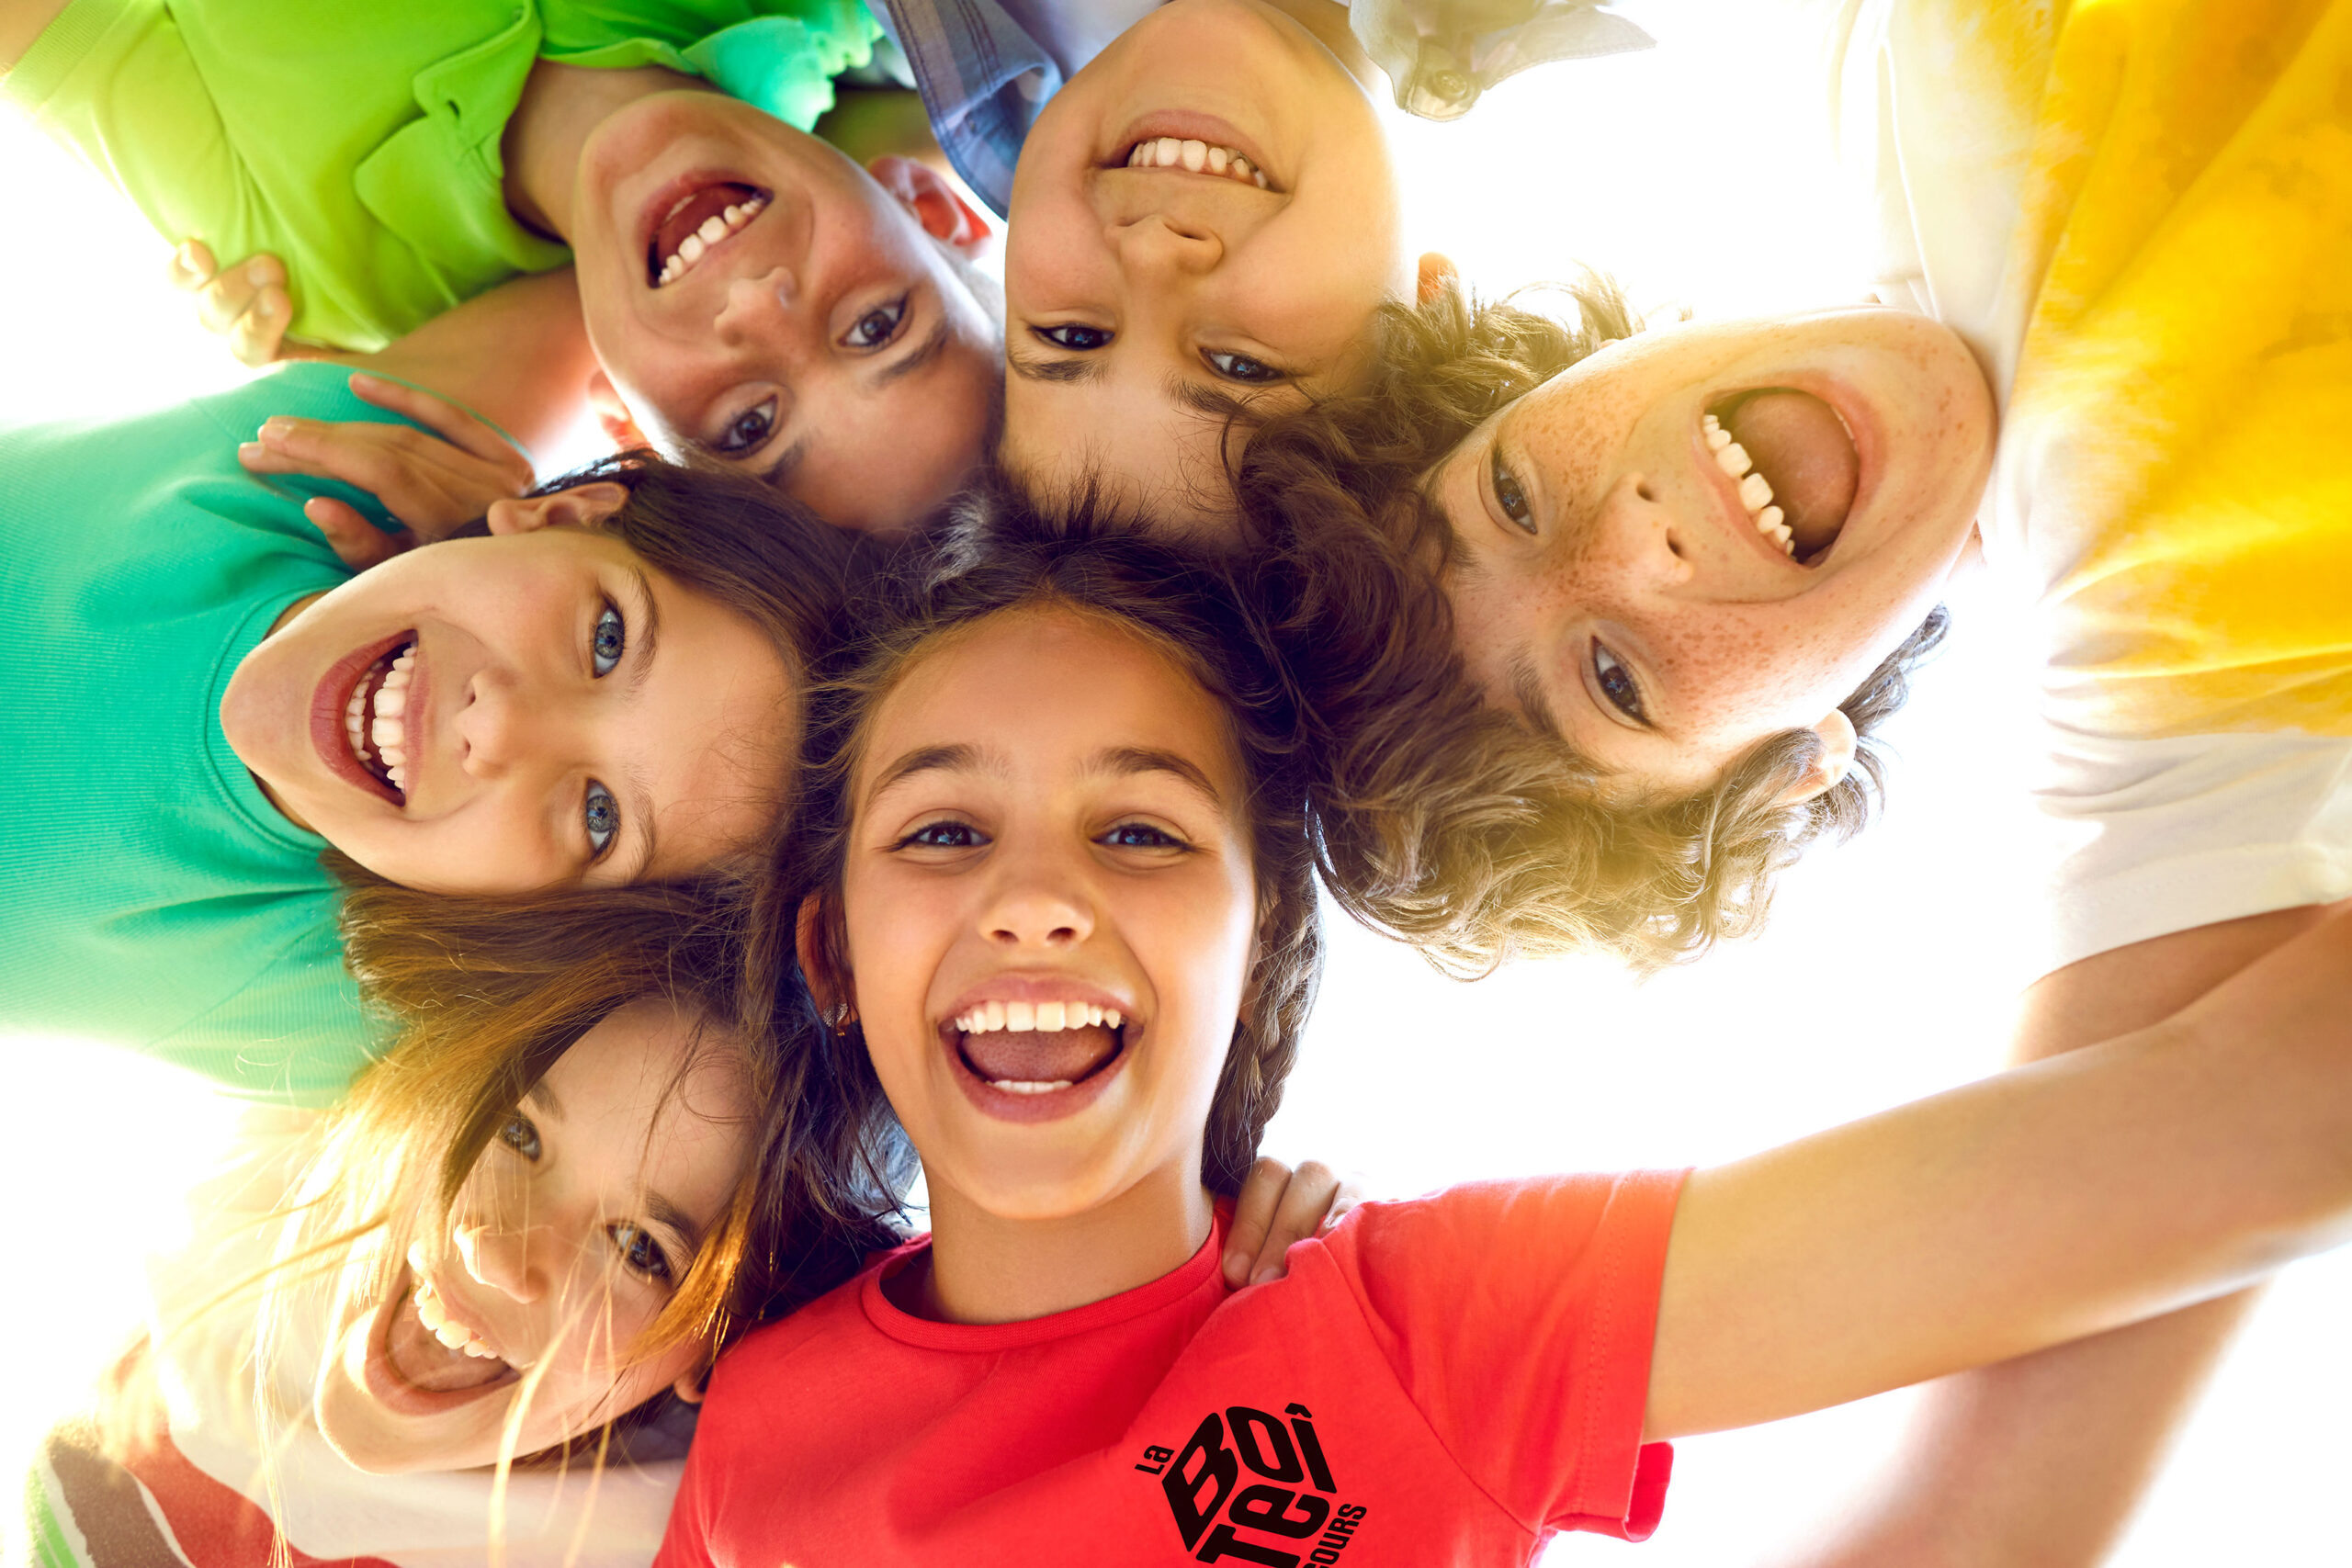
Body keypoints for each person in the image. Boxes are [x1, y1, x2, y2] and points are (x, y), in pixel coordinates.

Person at [653, 511, 2352, 1566]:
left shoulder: (1424, 1327)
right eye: (943, 833)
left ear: (1259, 956)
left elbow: (2247, 1123)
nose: (1033, 900)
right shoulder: (761, 1417)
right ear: (828, 947)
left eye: (1147, 832)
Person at [1234, 0, 2352, 1556]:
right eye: (1613, 679)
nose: (1635, 539)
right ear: (1783, 772)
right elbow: (1984, 1514)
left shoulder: (1858, 54)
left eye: (1511, 487)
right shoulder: (2180, 680)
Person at [0, 271, 868, 1099]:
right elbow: (604, 292)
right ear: (562, 514)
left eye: (599, 817)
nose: (497, 730)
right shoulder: (348, 456)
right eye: (606, 638)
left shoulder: (340, 1010)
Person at [1, 0, 1001, 532]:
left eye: (749, 423)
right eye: (877, 324)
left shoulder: (308, 269)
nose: (755, 304)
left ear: (622, 422)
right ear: (928, 203)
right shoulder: (837, 12)